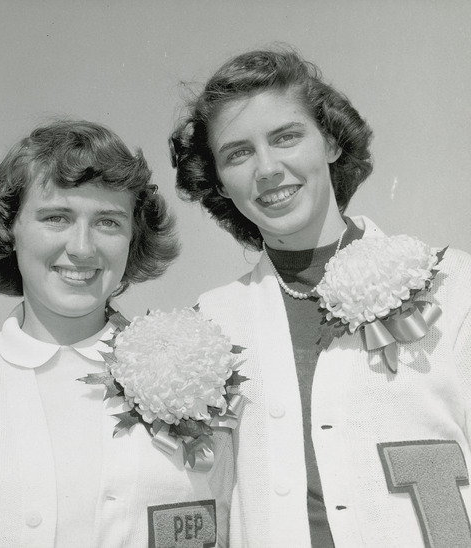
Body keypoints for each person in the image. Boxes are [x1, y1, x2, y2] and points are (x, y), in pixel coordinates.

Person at [171, 47, 471, 547]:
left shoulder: (453, 283)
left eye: (286, 137)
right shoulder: (211, 324)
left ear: (331, 142)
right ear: (220, 181)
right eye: (237, 153)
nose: (266, 168)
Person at [0, 120, 234, 546]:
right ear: (10, 229)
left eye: (108, 222)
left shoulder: (199, 381)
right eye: (56, 217)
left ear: (135, 237)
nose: (82, 247)